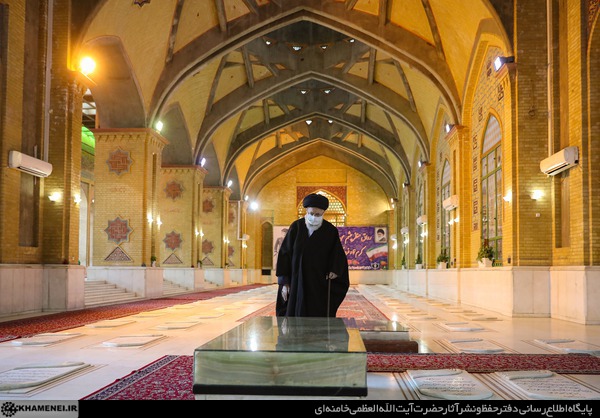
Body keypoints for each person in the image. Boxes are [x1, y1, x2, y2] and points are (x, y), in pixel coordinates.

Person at [275, 193, 350, 317]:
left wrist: (334, 270)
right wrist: (284, 282)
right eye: (311, 213)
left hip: (318, 283)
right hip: (296, 281)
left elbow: (337, 255)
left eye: (318, 215)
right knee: (295, 313)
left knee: (317, 313)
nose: (314, 217)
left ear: (323, 213)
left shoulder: (330, 231)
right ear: (306, 211)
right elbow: (285, 255)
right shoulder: (296, 227)